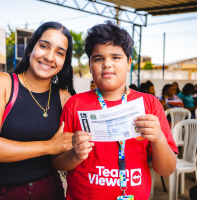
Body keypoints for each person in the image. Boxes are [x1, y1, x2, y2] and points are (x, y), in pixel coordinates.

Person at [52, 21, 178, 200]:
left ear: (129, 63)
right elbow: (57, 162)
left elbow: (167, 169)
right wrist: (75, 154)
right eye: (98, 58)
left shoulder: (149, 105)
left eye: (116, 57)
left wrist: (158, 139)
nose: (107, 64)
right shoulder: (75, 105)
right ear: (89, 65)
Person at [0, 21, 76, 200]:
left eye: (59, 53)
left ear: (64, 62)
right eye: (44, 46)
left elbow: (61, 157)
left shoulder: (64, 97)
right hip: (3, 193)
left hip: (51, 191)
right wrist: (48, 146)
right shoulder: (2, 83)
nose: (50, 57)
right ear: (30, 49)